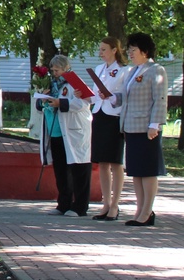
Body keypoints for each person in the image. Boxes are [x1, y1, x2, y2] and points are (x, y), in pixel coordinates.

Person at [34, 55, 92, 216]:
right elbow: (41, 105)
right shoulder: (52, 84)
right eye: (52, 70)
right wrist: (42, 100)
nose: (55, 73)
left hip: (74, 131)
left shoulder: (75, 83)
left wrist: (61, 103)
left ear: (66, 68)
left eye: (57, 70)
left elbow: (85, 103)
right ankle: (64, 203)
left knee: (78, 168)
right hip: (56, 130)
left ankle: (80, 206)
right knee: (61, 169)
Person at [120, 32, 168, 227]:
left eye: (133, 50)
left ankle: (147, 211)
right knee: (136, 172)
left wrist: (154, 125)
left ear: (145, 51)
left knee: (148, 171)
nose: (130, 53)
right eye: (129, 50)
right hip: (131, 126)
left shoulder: (156, 70)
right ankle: (140, 210)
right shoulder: (133, 72)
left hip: (147, 128)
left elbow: (160, 99)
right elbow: (127, 98)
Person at [90, 37, 128, 220]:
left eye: (104, 49)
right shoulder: (98, 69)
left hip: (114, 117)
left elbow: (124, 96)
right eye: (100, 49)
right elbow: (94, 96)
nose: (101, 53)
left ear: (114, 50)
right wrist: (84, 95)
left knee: (115, 162)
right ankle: (105, 203)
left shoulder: (123, 70)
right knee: (102, 162)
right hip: (99, 114)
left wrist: (111, 96)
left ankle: (115, 205)